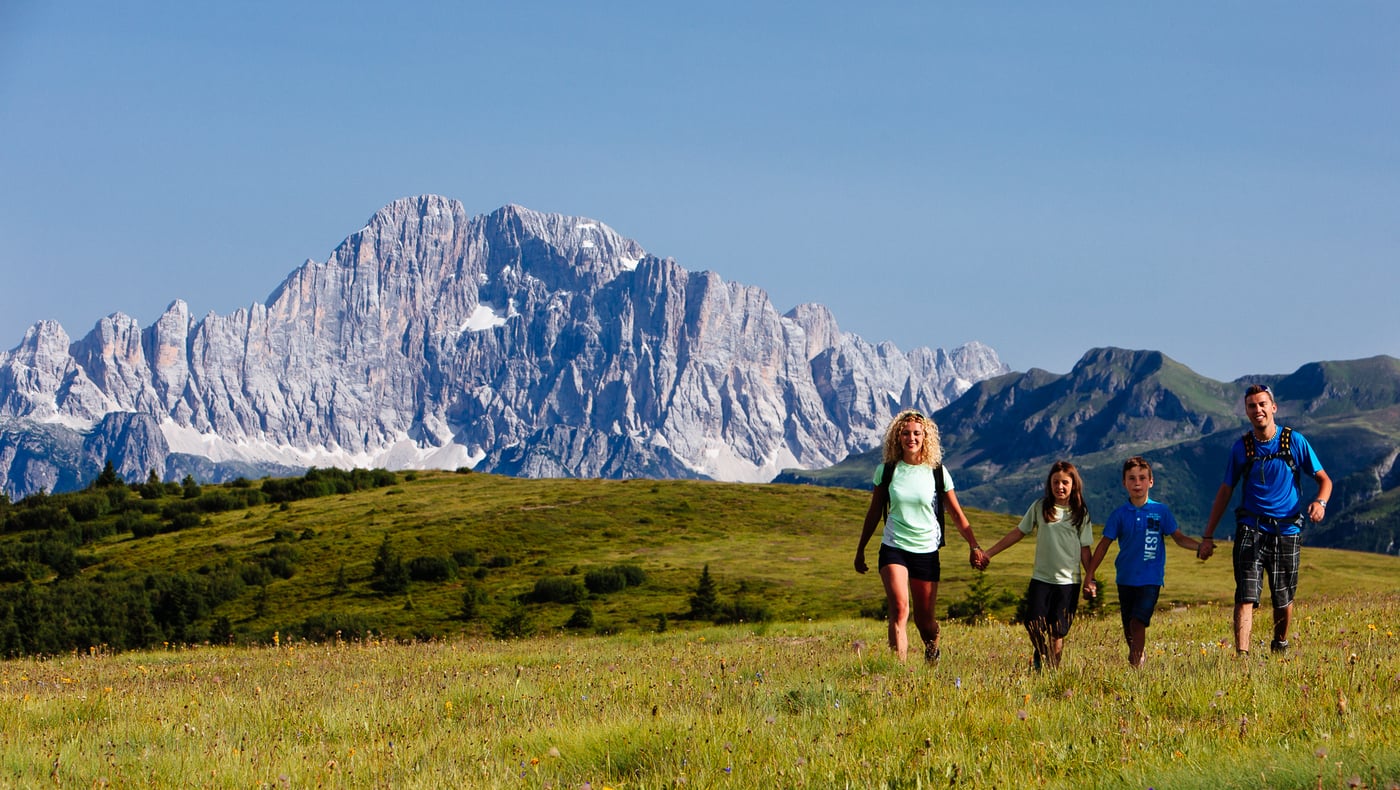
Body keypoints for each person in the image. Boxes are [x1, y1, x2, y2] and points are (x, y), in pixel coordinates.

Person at [1198, 384, 1331, 656]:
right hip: (1251, 528)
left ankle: (1280, 644)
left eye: (1262, 404)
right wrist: (1208, 535)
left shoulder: (1295, 441)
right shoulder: (1242, 448)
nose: (1257, 410)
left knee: (1283, 597)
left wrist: (1320, 502)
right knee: (1245, 595)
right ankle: (1242, 656)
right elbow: (1225, 490)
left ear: (1273, 407)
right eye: (1252, 406)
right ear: (1246, 411)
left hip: (1287, 529)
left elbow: (1324, 480)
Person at [854, 409, 987, 662]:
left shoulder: (937, 472)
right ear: (897, 437)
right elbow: (873, 512)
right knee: (899, 609)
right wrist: (860, 550)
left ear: (926, 437)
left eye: (916, 433)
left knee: (925, 621)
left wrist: (974, 545)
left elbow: (956, 514)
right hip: (894, 547)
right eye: (905, 433)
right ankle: (898, 670)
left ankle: (932, 649)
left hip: (926, 550)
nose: (911, 438)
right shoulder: (887, 471)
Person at [1086, 456, 1201, 668]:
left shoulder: (1161, 511)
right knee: (1129, 626)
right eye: (1132, 478)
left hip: (1151, 579)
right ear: (1124, 483)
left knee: (1138, 621)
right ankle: (1139, 656)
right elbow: (1103, 545)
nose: (1137, 483)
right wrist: (1090, 574)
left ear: (1151, 481)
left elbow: (1179, 538)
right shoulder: (1119, 515)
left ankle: (1135, 666)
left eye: (1142, 478)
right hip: (1125, 578)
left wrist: (1200, 547)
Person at [982, 461, 1095, 670]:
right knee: (1032, 623)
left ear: (1074, 485)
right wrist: (989, 553)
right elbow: (1018, 532)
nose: (1060, 487)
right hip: (1041, 579)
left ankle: (1052, 672)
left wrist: (1091, 579)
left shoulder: (1080, 513)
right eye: (1055, 482)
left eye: (1065, 482)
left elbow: (1085, 550)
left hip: (1068, 582)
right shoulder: (1040, 507)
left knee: (1057, 631)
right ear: (1049, 484)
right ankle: (1042, 653)